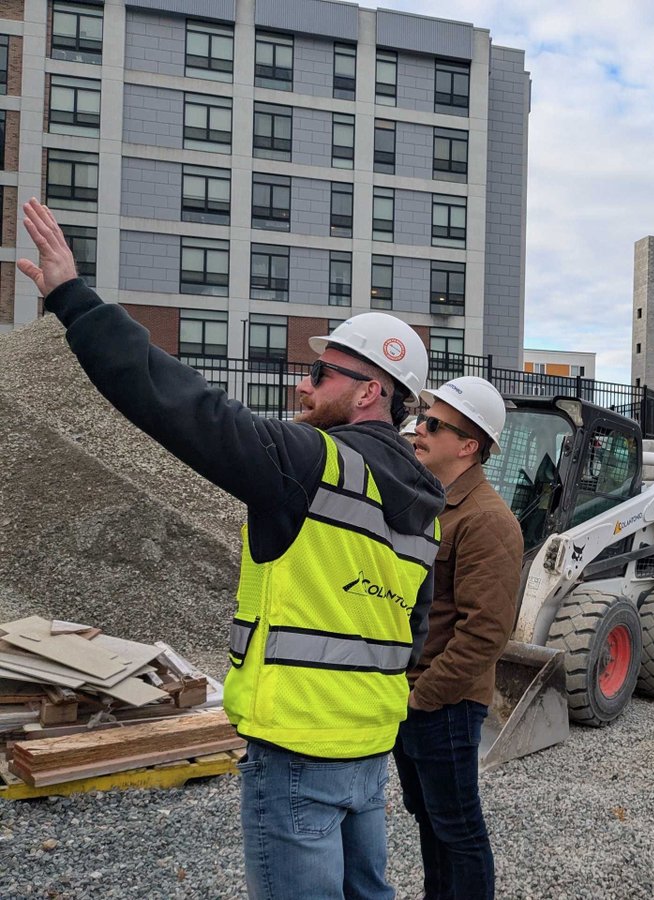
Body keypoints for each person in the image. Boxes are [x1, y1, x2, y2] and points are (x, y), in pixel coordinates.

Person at [17, 198, 444, 900]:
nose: (302, 384)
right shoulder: (425, 504)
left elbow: (183, 407)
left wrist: (74, 299)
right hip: (368, 751)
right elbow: (409, 633)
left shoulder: (311, 463)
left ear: (371, 390)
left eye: (324, 374)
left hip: (299, 750)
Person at [392, 376, 523, 900]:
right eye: (421, 419)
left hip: (443, 703)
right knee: (428, 818)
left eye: (433, 424)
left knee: (458, 827)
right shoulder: (431, 503)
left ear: (469, 445)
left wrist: (420, 697)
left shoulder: (487, 521)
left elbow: (486, 633)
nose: (418, 430)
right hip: (413, 696)